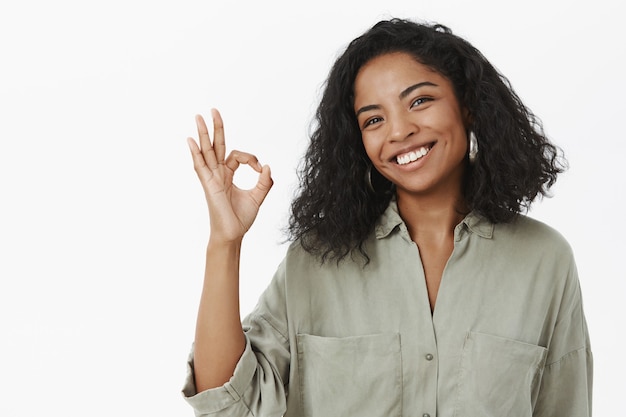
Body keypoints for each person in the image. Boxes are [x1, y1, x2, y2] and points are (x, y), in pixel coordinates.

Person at [182, 18, 592, 417]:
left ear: (467, 106)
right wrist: (225, 241)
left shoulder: (545, 260)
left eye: (419, 101)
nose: (398, 132)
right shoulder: (316, 260)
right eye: (374, 120)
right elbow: (228, 406)